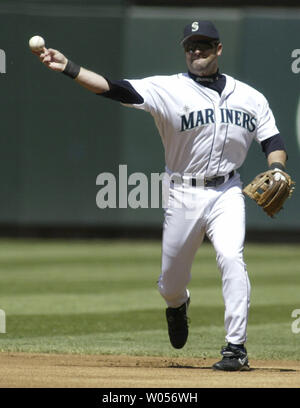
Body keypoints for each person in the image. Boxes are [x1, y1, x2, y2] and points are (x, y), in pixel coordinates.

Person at [36, 20, 288, 371]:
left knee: (232, 257)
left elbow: (273, 142)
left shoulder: (250, 97)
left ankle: (235, 348)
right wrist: (70, 68)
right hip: (183, 192)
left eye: (204, 44)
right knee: (171, 283)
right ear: (184, 51)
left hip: (228, 190)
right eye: (190, 46)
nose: (196, 51)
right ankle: (177, 304)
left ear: (218, 49)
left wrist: (277, 169)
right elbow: (113, 88)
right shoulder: (166, 88)